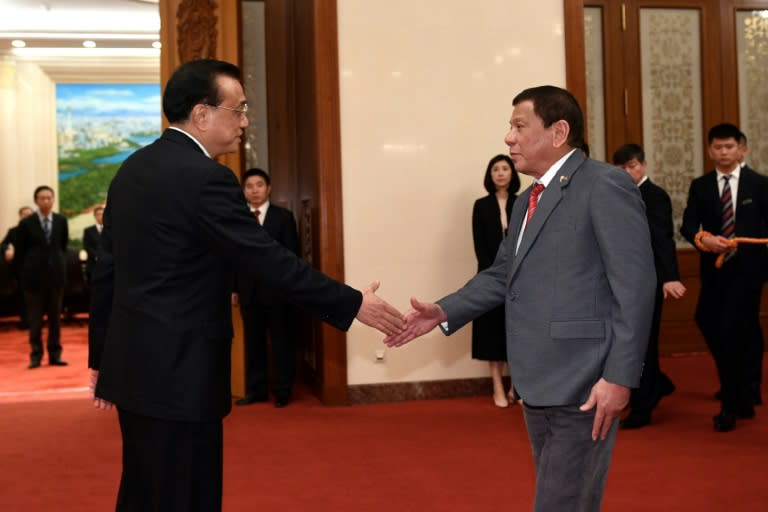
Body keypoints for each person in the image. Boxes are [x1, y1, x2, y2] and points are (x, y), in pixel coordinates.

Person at [88, 59, 403, 512]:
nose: (245, 121)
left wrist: (102, 358)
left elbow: (107, 272)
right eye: (237, 110)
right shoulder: (206, 178)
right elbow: (267, 260)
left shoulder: (131, 171)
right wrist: (352, 303)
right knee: (185, 494)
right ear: (201, 114)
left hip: (134, 368)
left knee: (144, 489)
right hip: (182, 371)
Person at [384, 85, 655, 512]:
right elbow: (502, 274)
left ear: (559, 131)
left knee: (562, 502)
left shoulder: (605, 185)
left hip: (585, 380)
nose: (508, 137)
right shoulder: (532, 197)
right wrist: (442, 311)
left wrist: (620, 378)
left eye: (519, 126)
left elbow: (635, 287)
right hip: (538, 379)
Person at [680, 123, 768, 432]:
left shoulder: (760, 184)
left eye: (729, 146)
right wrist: (704, 239)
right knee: (708, 320)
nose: (723, 152)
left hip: (749, 273)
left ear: (742, 149)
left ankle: (733, 400)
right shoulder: (701, 185)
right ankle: (741, 390)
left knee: (739, 331)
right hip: (714, 270)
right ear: (709, 151)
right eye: (717, 147)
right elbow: (688, 225)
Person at [612, 144, 686, 429]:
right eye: (620, 168)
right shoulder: (615, 193)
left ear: (643, 166)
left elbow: (662, 239)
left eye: (631, 166)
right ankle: (658, 384)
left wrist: (670, 276)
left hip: (647, 281)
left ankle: (644, 405)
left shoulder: (655, 196)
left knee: (643, 344)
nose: (627, 172)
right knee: (627, 342)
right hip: (620, 281)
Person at [233, 168, 300, 408]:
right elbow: (233, 257)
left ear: (268, 188)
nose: (254, 190)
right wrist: (234, 288)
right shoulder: (238, 219)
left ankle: (283, 390)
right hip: (248, 292)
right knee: (254, 343)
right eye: (249, 186)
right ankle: (256, 390)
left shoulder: (283, 217)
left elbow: (291, 254)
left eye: (259, 185)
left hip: (278, 292)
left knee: (281, 342)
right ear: (244, 191)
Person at [471, 154, 521, 407]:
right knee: (493, 332)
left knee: (518, 331)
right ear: (489, 176)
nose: (500, 173)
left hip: (521, 278)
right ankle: (497, 386)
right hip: (491, 277)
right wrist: (493, 275)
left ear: (513, 173)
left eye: (505, 168)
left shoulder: (523, 202)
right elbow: (480, 247)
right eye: (495, 170)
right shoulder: (481, 206)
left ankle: (517, 387)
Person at [14, 186, 69, 368]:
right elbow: (20, 254)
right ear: (36, 200)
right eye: (42, 198)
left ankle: (55, 354)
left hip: (55, 278)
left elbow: (62, 247)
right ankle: (36, 355)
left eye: (49, 198)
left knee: (55, 319)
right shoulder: (26, 223)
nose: (46, 201)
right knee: (35, 320)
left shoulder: (61, 221)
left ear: (53, 199)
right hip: (33, 280)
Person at [1, 205, 34, 328]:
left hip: (37, 269)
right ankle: (25, 321)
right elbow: (3, 245)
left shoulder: (39, 230)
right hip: (20, 268)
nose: (27, 216)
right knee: (23, 296)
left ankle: (36, 321)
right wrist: (7, 249)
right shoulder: (14, 231)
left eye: (29, 214)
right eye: (24, 214)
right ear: (20, 216)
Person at [82, 205, 104, 284]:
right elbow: (87, 246)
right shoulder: (88, 231)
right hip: (93, 266)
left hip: (108, 266)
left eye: (102, 214)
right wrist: (97, 256)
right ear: (95, 216)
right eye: (98, 214)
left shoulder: (110, 230)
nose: (101, 216)